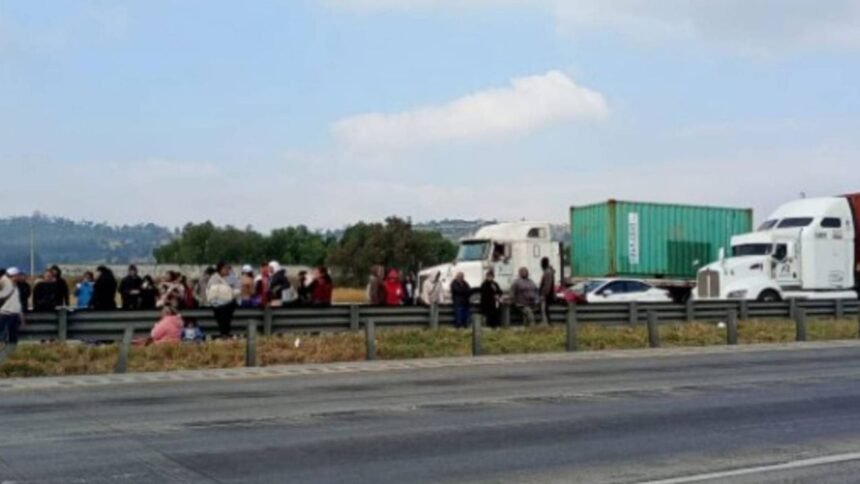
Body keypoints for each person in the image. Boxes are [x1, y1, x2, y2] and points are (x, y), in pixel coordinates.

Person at [207, 261, 238, 338]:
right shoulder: (214, 278)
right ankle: (224, 334)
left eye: (228, 268)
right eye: (225, 268)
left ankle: (225, 334)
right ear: (220, 269)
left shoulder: (231, 277)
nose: (227, 270)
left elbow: (235, 289)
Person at [0, 269, 24, 345]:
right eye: (17, 275)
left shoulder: (16, 287)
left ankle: (11, 352)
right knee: (3, 336)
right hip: (4, 314)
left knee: (13, 337)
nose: (18, 277)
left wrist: (21, 315)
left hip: (14, 314)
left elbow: (17, 302)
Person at [539, 257, 557, 324]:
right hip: (548, 293)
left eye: (541, 263)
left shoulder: (547, 272)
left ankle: (547, 323)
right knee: (545, 309)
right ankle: (547, 322)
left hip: (547, 294)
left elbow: (547, 285)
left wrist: (543, 294)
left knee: (544, 309)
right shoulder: (548, 271)